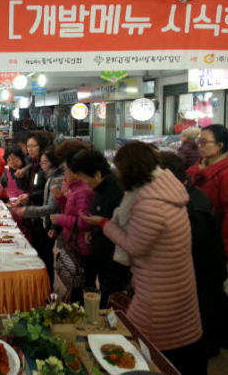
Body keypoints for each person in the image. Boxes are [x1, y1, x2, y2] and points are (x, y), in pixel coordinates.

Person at [83, 142, 207, 375]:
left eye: (119, 169)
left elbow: (135, 247)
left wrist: (105, 224)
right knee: (180, 342)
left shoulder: (150, 204)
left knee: (149, 347)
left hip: (159, 290)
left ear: (130, 171)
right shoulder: (166, 190)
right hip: (176, 281)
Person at [159, 151, 228, 358]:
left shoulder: (192, 203)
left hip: (203, 271)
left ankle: (207, 352)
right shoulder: (186, 194)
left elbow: (199, 245)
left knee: (204, 315)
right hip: (201, 270)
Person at [187, 124, 228, 352]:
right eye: (198, 141)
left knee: (208, 296)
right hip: (200, 240)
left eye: (205, 142)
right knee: (214, 293)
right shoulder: (199, 168)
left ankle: (211, 344)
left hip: (214, 244)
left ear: (220, 146)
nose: (200, 146)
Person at [68, 149, 129, 309]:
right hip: (101, 253)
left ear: (97, 174)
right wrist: (93, 231)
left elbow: (119, 226)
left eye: (84, 177)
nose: (83, 182)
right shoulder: (99, 189)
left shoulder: (117, 191)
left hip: (114, 259)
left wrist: (100, 224)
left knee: (109, 299)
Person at [14, 146, 64, 289]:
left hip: (49, 224)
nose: (42, 166)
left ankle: (47, 290)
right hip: (45, 222)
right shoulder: (50, 177)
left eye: (44, 163)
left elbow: (52, 207)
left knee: (45, 258)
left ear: (53, 163)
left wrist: (28, 211)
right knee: (42, 256)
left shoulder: (56, 180)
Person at [50, 142, 93, 302]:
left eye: (66, 168)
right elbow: (70, 210)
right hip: (73, 241)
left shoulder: (83, 191)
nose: (64, 172)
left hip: (81, 245)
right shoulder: (74, 188)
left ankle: (79, 308)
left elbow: (84, 222)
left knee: (80, 282)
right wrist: (61, 199)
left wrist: (59, 219)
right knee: (73, 280)